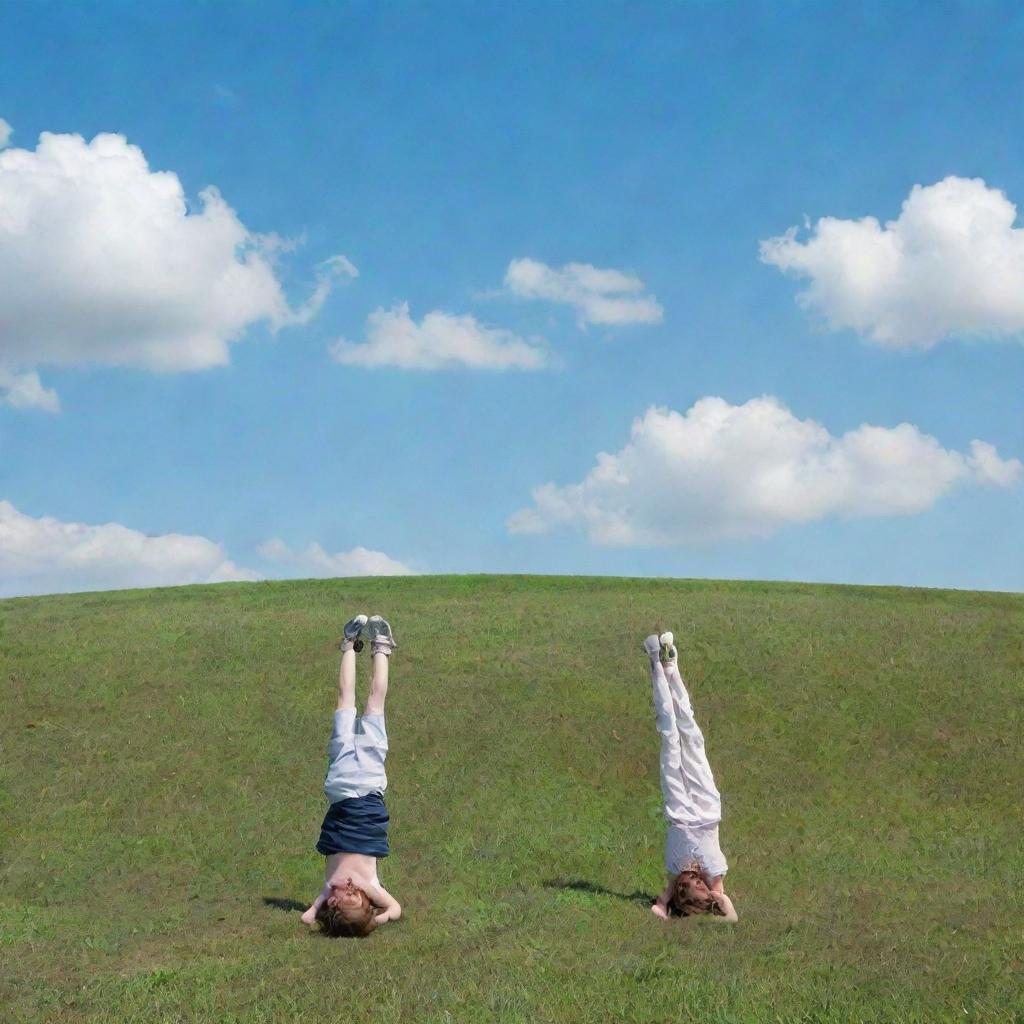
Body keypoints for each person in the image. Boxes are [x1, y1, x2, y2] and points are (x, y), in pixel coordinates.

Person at [301, 614, 403, 936]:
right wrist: (377, 918)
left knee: (345, 702)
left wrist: (322, 909)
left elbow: (306, 918)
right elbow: (395, 908)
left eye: (340, 900)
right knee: (375, 705)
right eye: (353, 898)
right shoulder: (371, 885)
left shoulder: (328, 888)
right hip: (370, 786)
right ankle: (381, 647)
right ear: (365, 901)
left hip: (343, 785)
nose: (346, 891)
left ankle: (348, 644)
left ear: (332, 906)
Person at [644, 631, 738, 922]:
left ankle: (655, 663)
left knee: (670, 735)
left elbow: (659, 908)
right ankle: (671, 666)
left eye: (693, 885)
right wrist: (713, 900)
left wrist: (671, 908)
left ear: (680, 889)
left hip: (679, 810)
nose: (698, 880)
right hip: (708, 808)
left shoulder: (675, 873)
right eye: (703, 886)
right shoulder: (716, 874)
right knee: (692, 736)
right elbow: (731, 917)